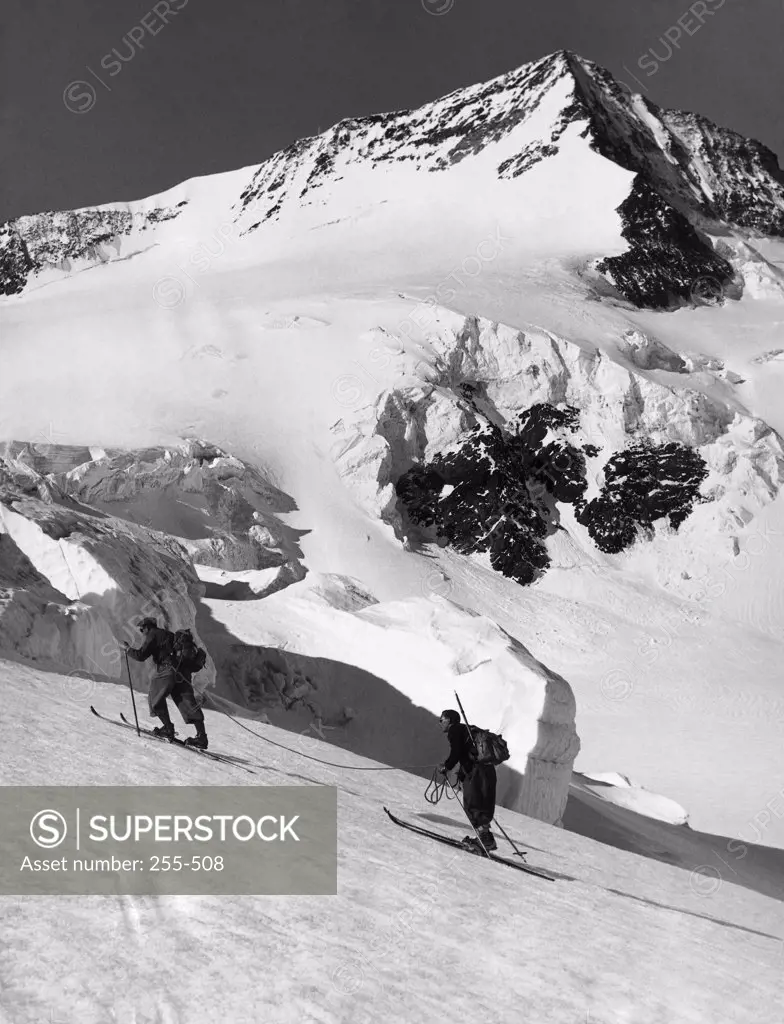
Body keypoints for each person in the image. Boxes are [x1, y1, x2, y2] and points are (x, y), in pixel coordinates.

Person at [121, 618, 208, 749]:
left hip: (167, 669)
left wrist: (128, 649)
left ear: (147, 627)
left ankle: (168, 728)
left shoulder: (153, 634)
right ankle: (201, 737)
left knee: (155, 697)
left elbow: (141, 655)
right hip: (182, 673)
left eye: (142, 629)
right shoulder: (170, 635)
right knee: (187, 702)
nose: (142, 632)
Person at [438, 709, 497, 852]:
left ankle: (484, 839)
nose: (440, 723)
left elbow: (456, 752)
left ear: (449, 720)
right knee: (481, 803)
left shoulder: (455, 730)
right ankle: (487, 839)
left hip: (476, 772)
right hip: (487, 770)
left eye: (442, 720)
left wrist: (446, 766)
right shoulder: (466, 730)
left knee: (472, 803)